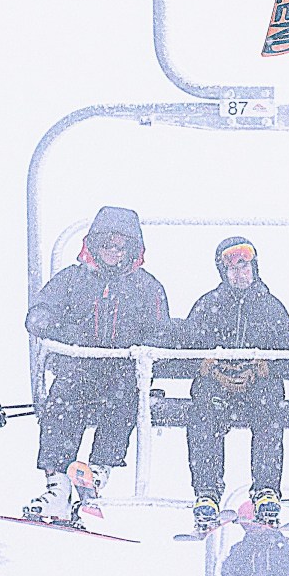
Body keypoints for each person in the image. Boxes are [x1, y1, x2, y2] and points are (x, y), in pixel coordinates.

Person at [22, 205, 170, 523]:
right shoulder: (73, 280)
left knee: (122, 402)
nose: (113, 253)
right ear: (94, 246)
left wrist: (139, 349)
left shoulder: (146, 288)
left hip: (121, 369)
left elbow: (160, 330)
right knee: (62, 401)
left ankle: (98, 469)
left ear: (132, 250)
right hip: (79, 367)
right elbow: (42, 310)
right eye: (107, 246)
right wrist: (52, 324)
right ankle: (57, 484)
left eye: (120, 247)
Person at [182, 236, 289, 534]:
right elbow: (190, 347)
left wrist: (262, 367)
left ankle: (266, 489)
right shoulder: (209, 306)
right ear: (223, 272)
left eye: (244, 266)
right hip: (217, 388)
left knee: (270, 414)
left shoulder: (269, 307)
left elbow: (288, 349)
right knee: (203, 416)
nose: (239, 273)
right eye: (232, 268)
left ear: (254, 268)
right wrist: (212, 368)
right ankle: (207, 492)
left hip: (257, 388)